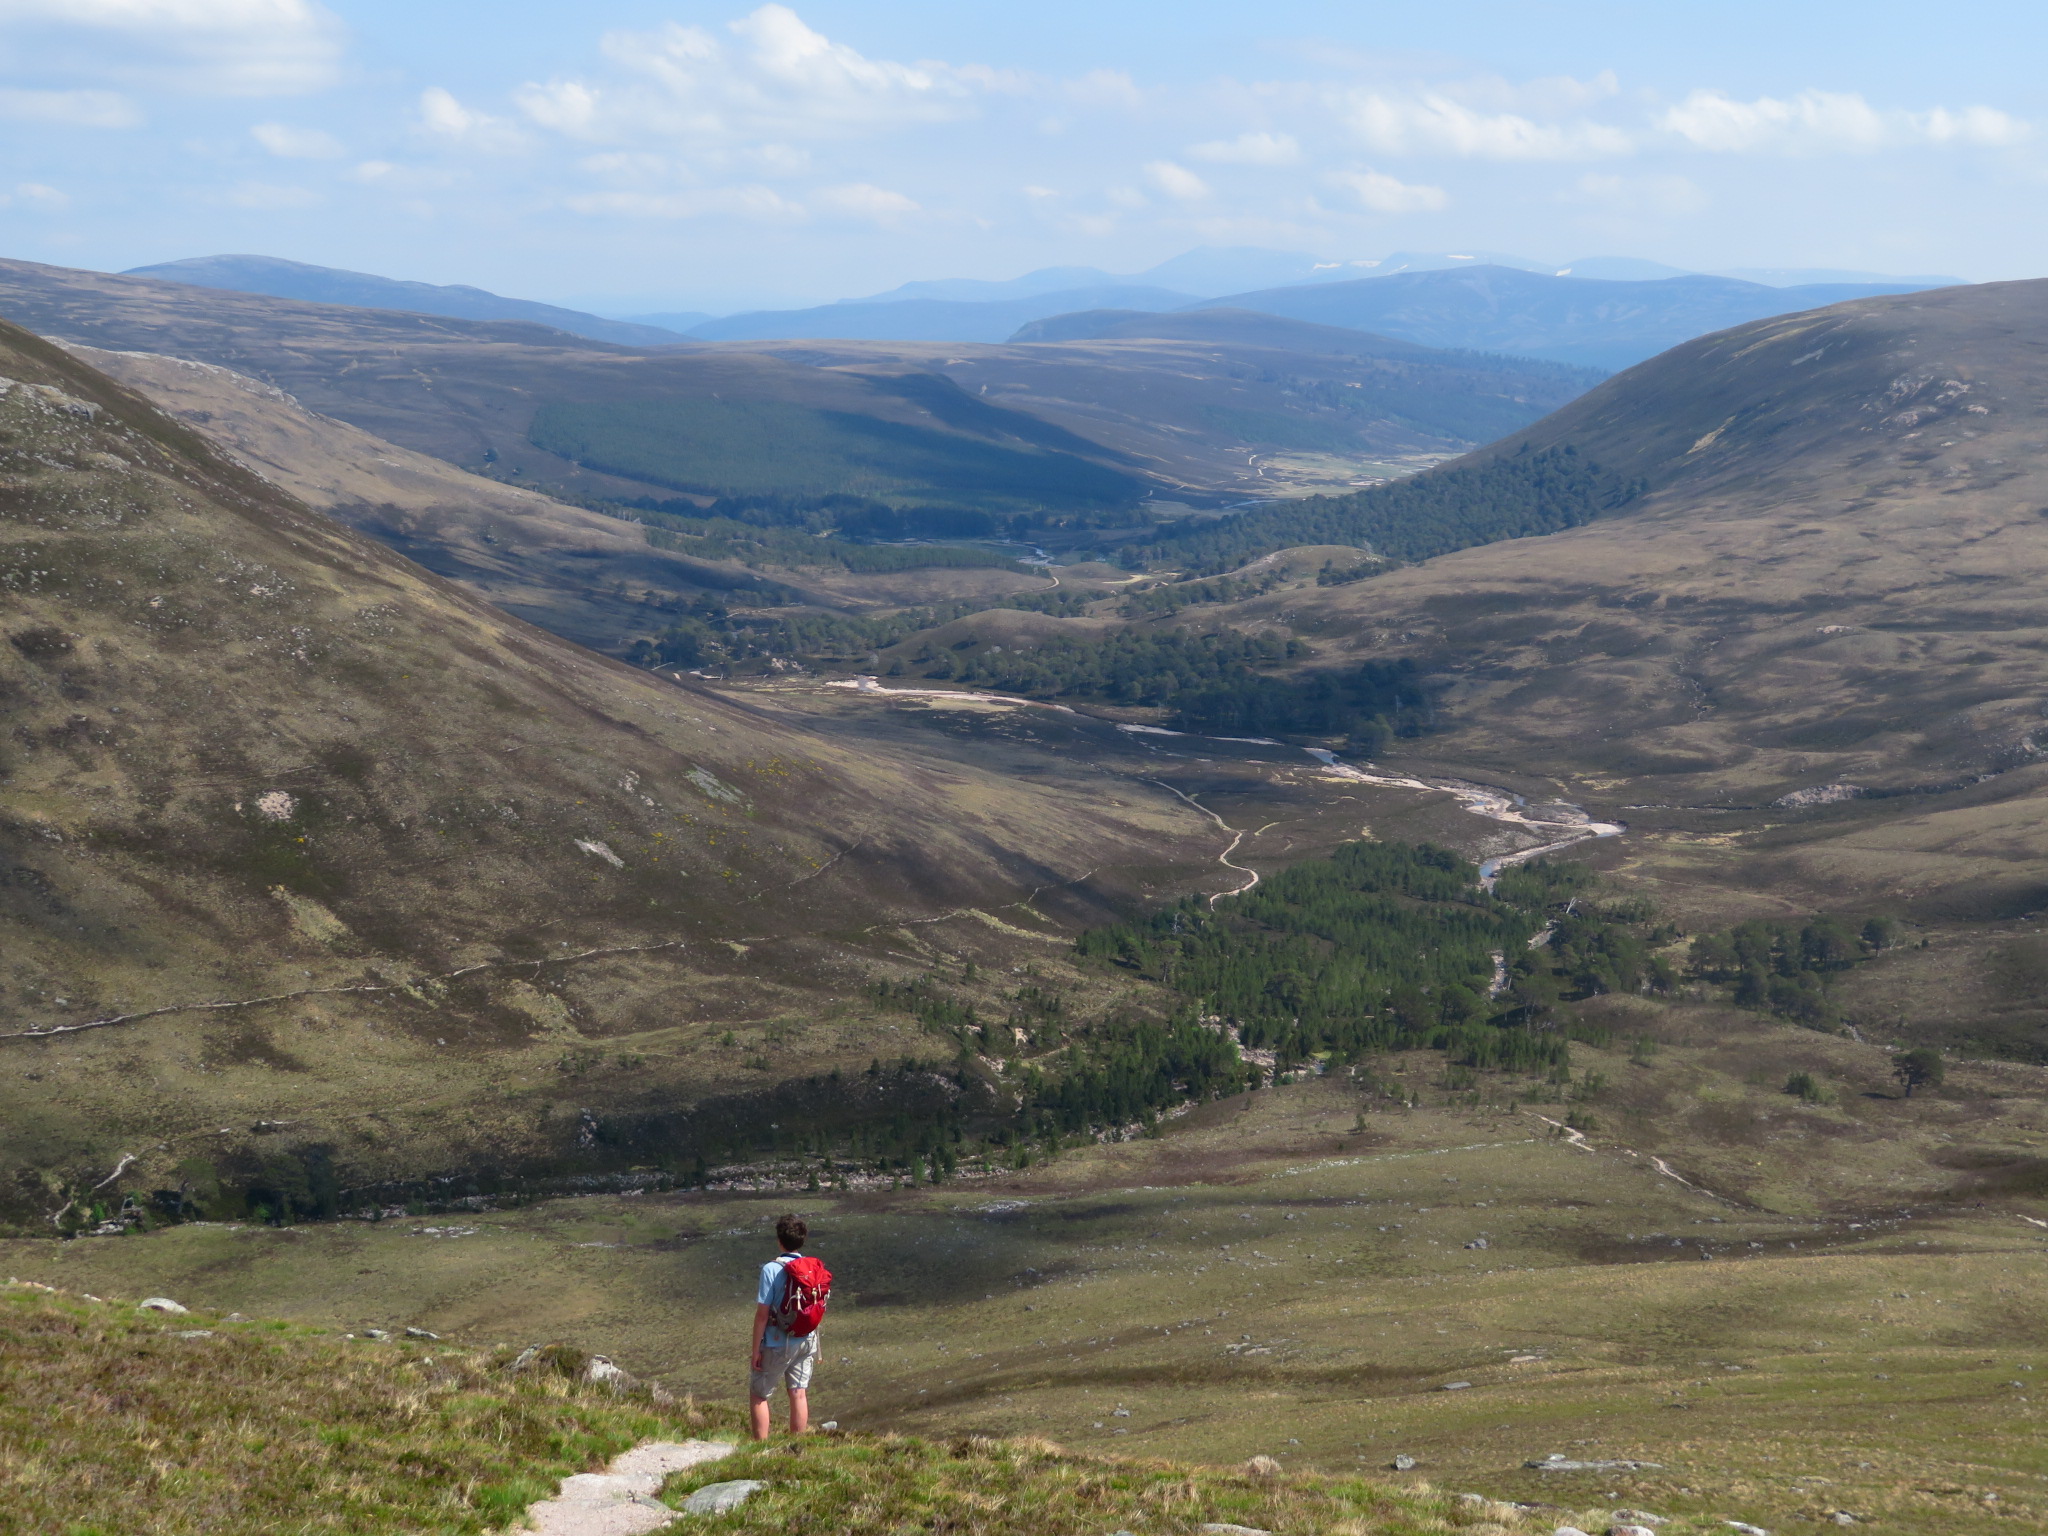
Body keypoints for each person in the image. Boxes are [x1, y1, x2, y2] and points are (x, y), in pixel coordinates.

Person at [749, 1212, 820, 1439]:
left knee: (759, 1394)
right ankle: (796, 1447)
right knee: (798, 1393)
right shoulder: (812, 1268)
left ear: (780, 1240)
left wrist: (755, 1350)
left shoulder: (771, 1269)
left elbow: (762, 1315)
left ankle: (759, 1448)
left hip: (777, 1341)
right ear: (802, 1240)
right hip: (807, 1338)